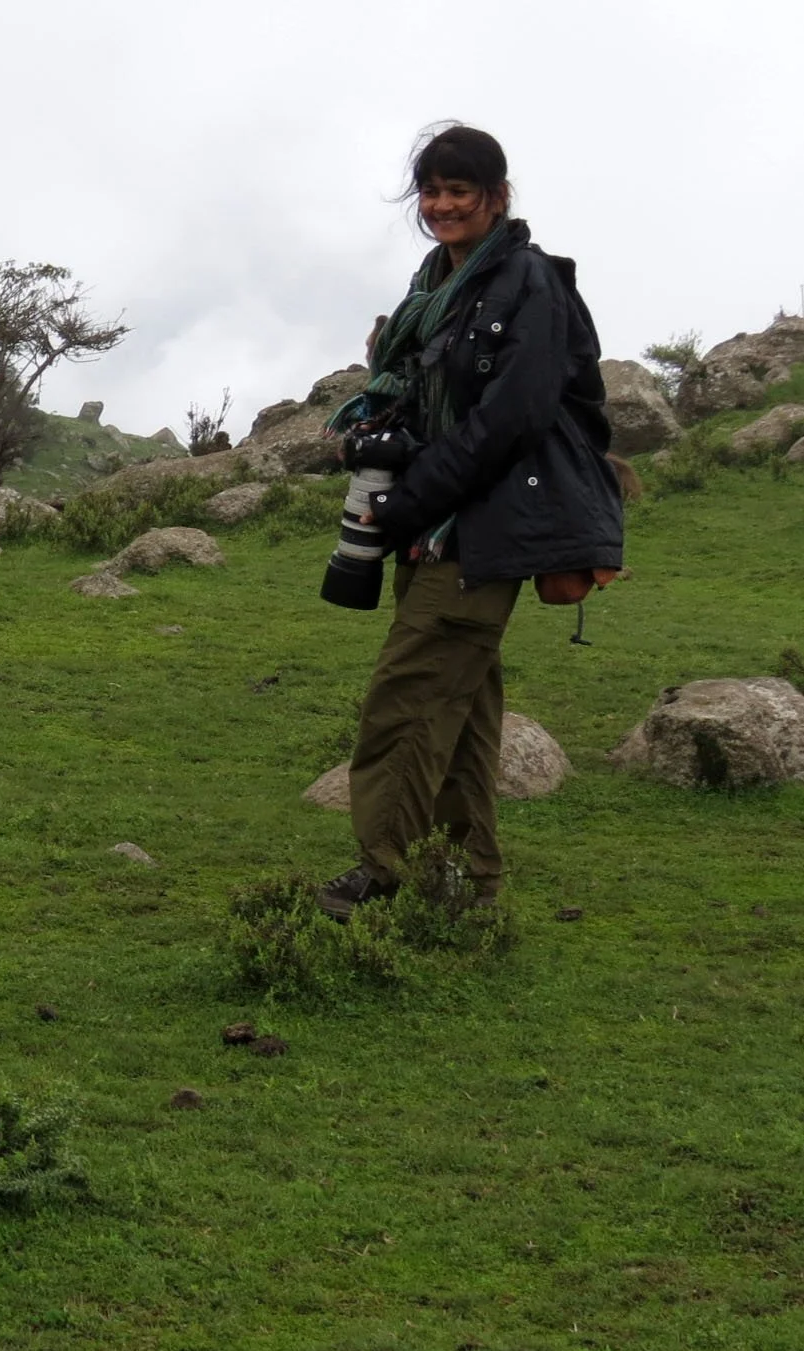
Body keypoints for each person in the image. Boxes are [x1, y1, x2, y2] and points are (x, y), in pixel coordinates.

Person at [316, 123, 624, 919]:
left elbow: (511, 418)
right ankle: (466, 885)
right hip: (435, 526)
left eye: (459, 191)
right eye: (431, 191)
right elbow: (428, 399)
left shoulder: (529, 283)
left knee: (409, 694)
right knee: (460, 710)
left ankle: (378, 871)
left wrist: (414, 498)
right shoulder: (432, 285)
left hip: (480, 525)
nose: (442, 205)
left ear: (496, 197)